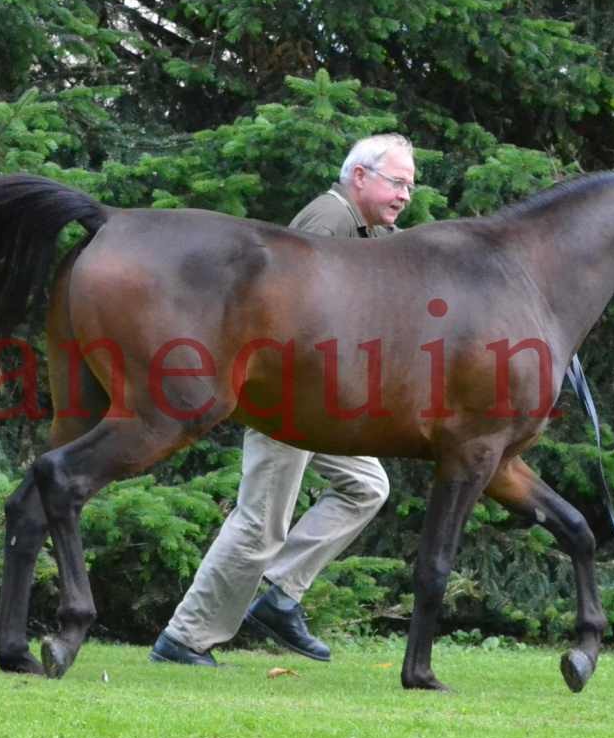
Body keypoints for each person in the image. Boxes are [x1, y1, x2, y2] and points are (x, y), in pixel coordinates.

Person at [150, 134, 416, 667]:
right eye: (396, 181)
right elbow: (292, 317)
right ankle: (184, 638)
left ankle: (279, 594)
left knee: (366, 486)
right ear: (359, 177)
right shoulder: (326, 222)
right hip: (287, 400)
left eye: (411, 184)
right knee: (259, 523)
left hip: (320, 405)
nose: (406, 194)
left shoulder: (366, 230)